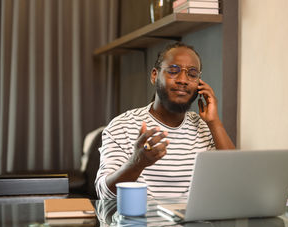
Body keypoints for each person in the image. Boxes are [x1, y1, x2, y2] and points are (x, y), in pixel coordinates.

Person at [95, 42, 235, 200]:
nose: (183, 79)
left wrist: (214, 122)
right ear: (154, 75)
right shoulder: (122, 126)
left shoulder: (206, 128)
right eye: (174, 71)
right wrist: (137, 163)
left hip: (194, 223)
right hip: (141, 223)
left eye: (192, 74)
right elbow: (104, 193)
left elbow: (235, 179)